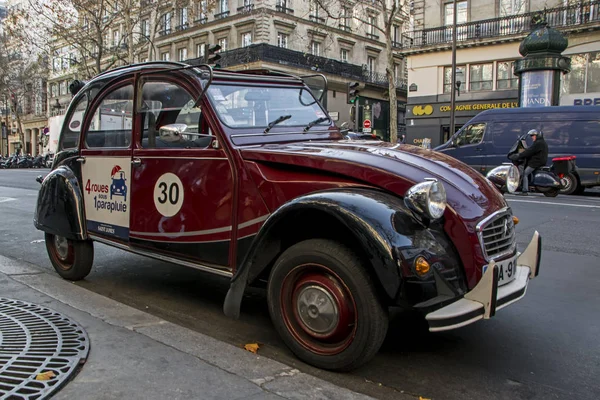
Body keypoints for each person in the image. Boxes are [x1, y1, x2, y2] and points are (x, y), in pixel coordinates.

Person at [514, 129, 548, 196]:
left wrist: (519, 155)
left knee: (525, 173)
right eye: (531, 136)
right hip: (540, 161)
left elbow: (530, 151)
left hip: (536, 162)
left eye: (533, 135)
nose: (532, 137)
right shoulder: (541, 142)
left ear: (537, 136)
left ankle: (525, 190)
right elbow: (531, 150)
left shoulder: (538, 143)